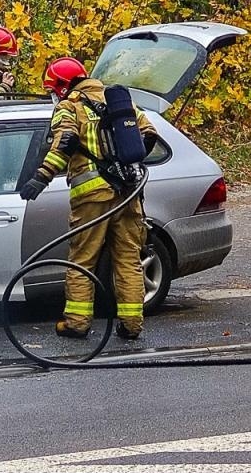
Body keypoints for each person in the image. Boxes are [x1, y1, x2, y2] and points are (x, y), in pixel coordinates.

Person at [18, 57, 157, 340]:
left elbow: (65, 142)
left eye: (54, 90)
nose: (54, 96)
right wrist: (125, 166)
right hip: (129, 193)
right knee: (129, 259)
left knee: (82, 260)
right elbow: (149, 135)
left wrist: (40, 177)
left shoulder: (70, 107)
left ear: (63, 86)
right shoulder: (121, 103)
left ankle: (78, 323)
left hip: (91, 196)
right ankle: (131, 325)